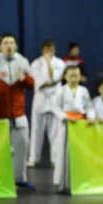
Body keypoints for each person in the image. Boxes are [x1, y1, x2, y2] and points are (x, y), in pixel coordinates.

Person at [0, 33, 35, 190]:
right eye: (6, 43)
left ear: (15, 45)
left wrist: (25, 79)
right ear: (0, 46)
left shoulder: (23, 61)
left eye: (12, 43)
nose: (9, 45)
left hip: (18, 114)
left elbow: (31, 86)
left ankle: (20, 179)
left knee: (22, 147)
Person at [51, 65, 96, 193]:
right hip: (66, 123)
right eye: (71, 76)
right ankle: (62, 184)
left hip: (80, 124)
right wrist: (64, 116)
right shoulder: (60, 90)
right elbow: (54, 107)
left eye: (76, 76)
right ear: (65, 77)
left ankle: (78, 182)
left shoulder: (83, 90)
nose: (74, 78)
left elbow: (89, 106)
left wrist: (91, 117)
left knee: (78, 153)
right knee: (63, 153)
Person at [28, 39, 66, 167]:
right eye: (46, 48)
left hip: (54, 98)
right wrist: (52, 81)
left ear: (54, 49)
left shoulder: (60, 63)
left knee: (55, 131)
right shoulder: (36, 63)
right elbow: (43, 81)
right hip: (40, 98)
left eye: (51, 48)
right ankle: (34, 158)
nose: (49, 51)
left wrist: (49, 64)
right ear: (42, 49)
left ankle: (55, 159)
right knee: (36, 130)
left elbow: (54, 79)